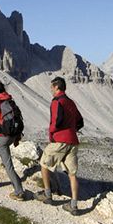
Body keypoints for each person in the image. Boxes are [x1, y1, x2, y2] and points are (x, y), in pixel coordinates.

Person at [35, 76, 85, 215]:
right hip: (73, 141)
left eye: (52, 87)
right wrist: (71, 130)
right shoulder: (70, 102)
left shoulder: (57, 101)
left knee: (44, 164)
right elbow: (80, 122)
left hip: (60, 140)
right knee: (72, 174)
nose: (51, 89)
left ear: (57, 87)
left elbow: (55, 121)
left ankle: (47, 194)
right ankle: (73, 205)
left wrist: (51, 135)